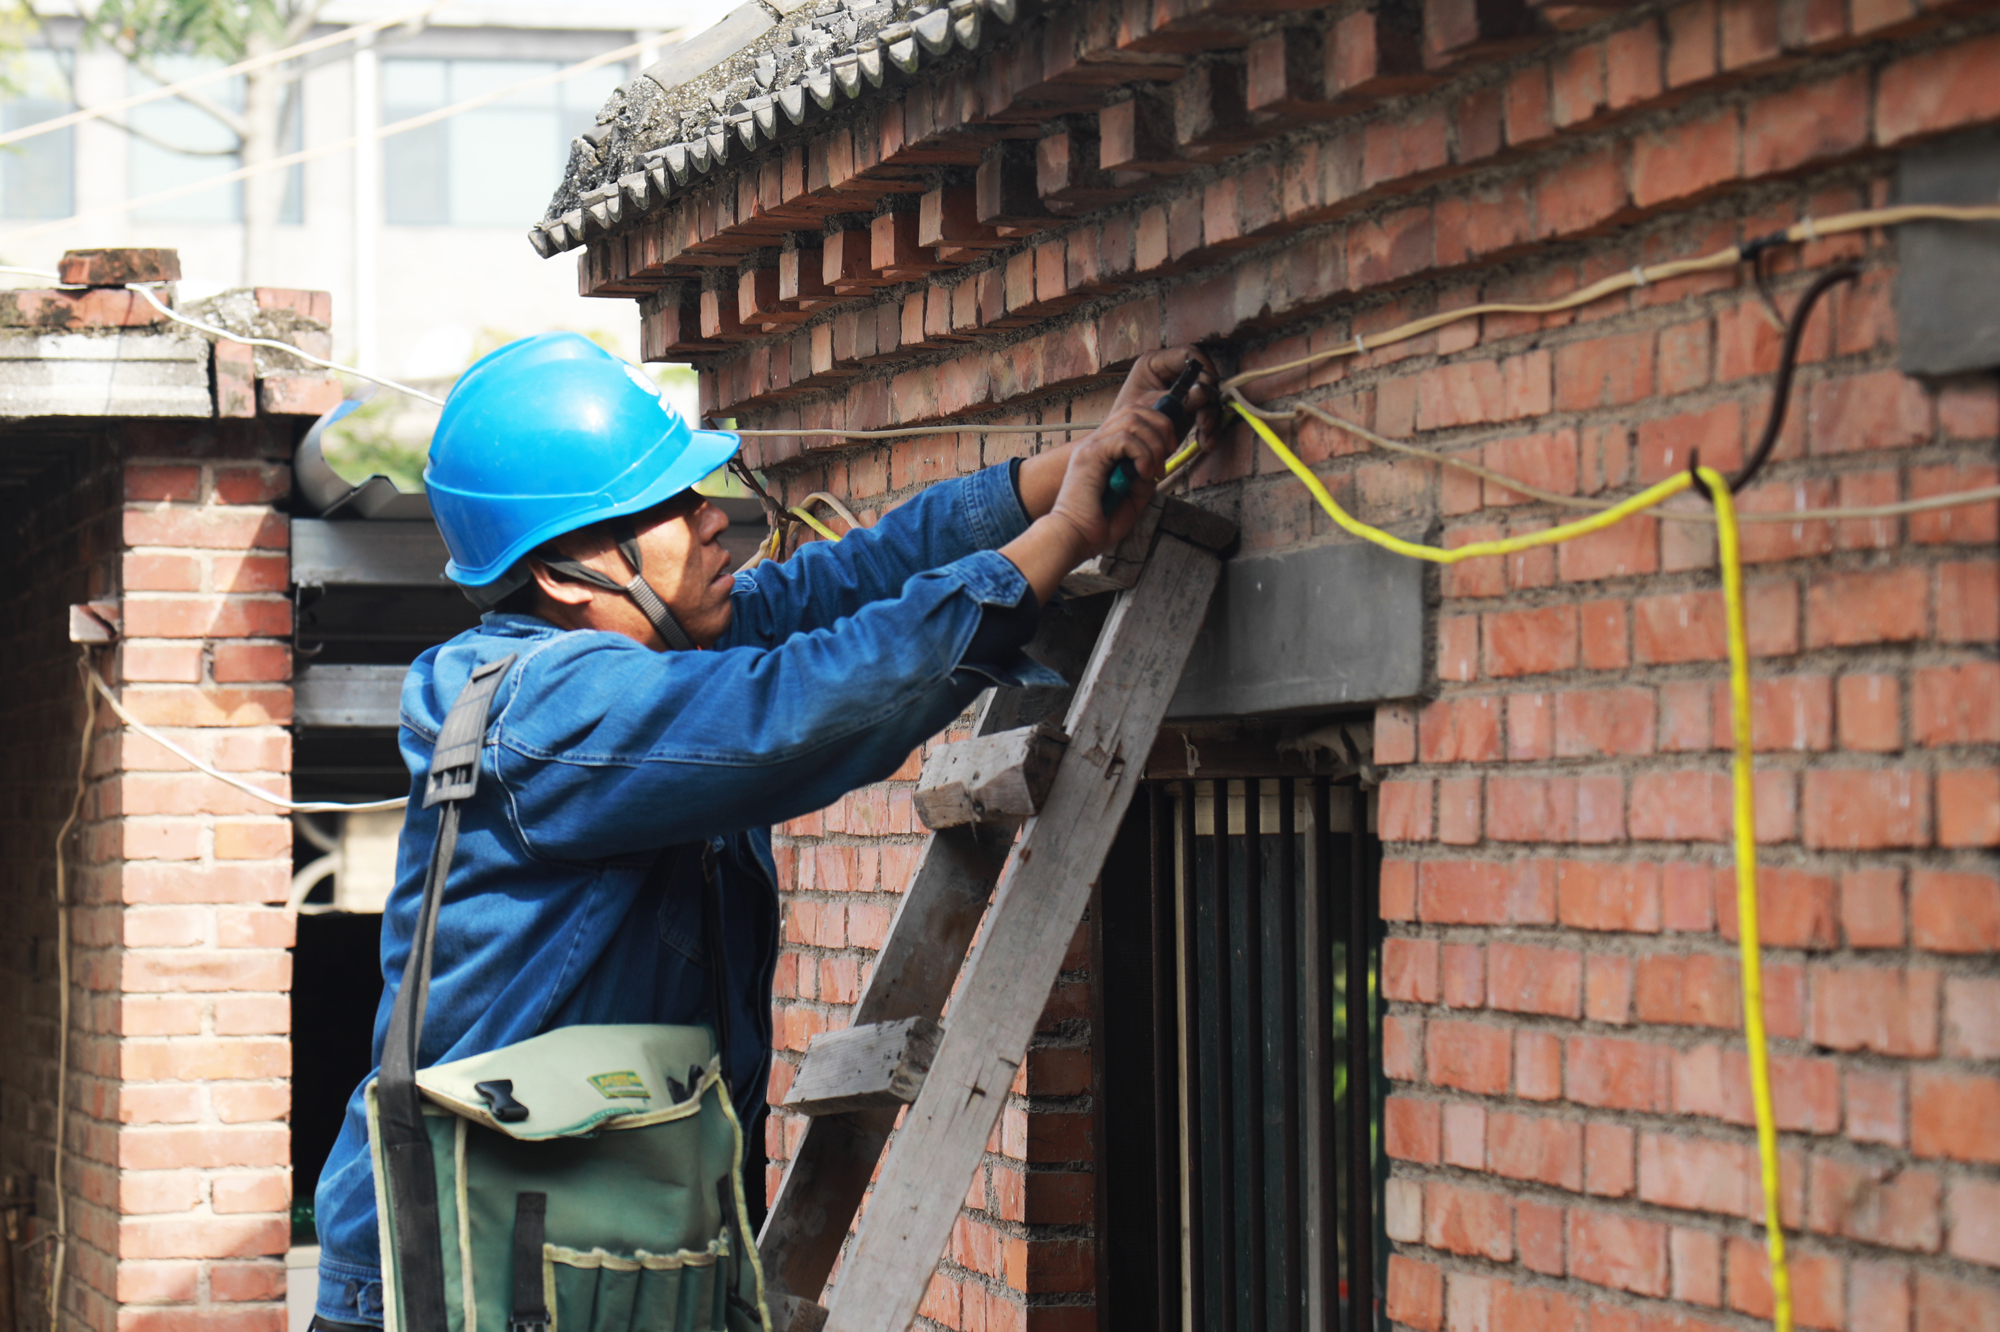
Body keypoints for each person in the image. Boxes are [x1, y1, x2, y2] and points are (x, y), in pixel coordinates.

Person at [309, 329, 1217, 1329]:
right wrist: (1066, 538)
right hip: (460, 1279)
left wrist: (1068, 473)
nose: (715, 521)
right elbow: (799, 705)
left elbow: (848, 583)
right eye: (668, 506)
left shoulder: (650, 649)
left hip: (589, 1258)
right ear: (570, 575)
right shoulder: (548, 713)